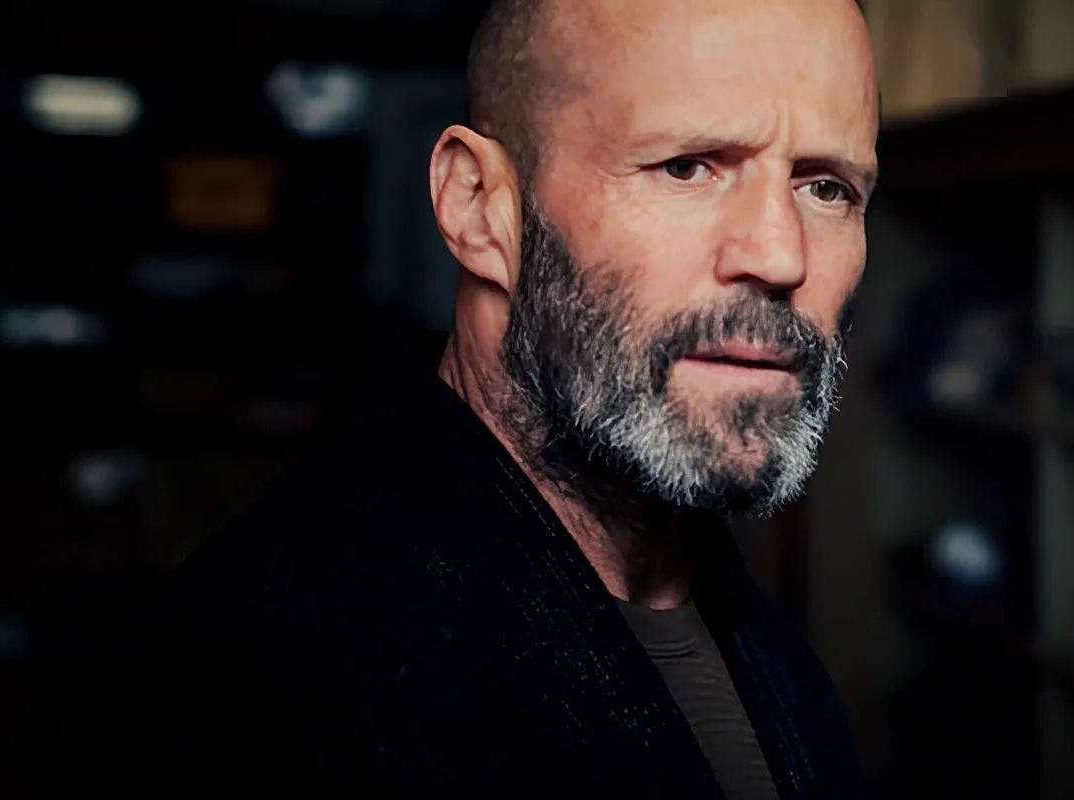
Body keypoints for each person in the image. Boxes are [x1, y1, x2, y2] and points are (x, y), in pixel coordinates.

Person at [152, 0, 879, 795]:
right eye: (686, 168)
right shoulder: (277, 657)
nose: (780, 255)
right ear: (476, 205)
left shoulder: (760, 641)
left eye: (827, 188)